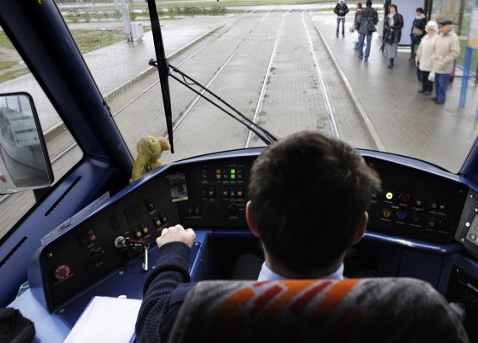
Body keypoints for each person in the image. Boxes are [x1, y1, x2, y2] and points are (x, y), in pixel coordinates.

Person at [135, 131, 383, 342]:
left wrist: (173, 254)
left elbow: (150, 327)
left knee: (245, 261)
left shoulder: (194, 312)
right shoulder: (397, 316)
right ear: (360, 228)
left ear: (251, 219)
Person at [431, 19, 460, 104]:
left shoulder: (453, 38)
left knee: (442, 84)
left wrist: (444, 61)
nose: (441, 29)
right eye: (440, 27)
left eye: (443, 27)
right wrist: (433, 56)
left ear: (448, 27)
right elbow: (437, 47)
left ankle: (441, 99)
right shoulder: (441, 35)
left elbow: (455, 52)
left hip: (445, 65)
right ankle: (437, 96)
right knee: (436, 83)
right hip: (437, 64)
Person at [415, 20, 438, 94]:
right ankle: (423, 88)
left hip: (431, 61)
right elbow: (420, 47)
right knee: (423, 76)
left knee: (429, 77)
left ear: (435, 29)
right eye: (429, 29)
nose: (430, 30)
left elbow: (437, 50)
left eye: (432, 29)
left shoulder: (437, 38)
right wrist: (418, 55)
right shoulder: (425, 37)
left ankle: (429, 90)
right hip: (423, 60)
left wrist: (433, 58)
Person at [382, 4, 403, 68]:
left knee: (393, 47)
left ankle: (391, 62)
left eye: (392, 8)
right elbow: (385, 23)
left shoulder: (399, 16)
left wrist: (393, 27)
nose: (391, 9)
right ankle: (390, 60)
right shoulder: (388, 16)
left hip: (395, 34)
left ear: (395, 8)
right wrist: (387, 28)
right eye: (390, 8)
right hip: (388, 33)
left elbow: (401, 25)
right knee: (388, 47)